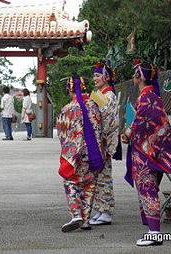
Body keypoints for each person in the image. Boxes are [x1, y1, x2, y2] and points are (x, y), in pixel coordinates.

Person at [121, 60, 171, 246]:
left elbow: (140, 124)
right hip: (153, 149)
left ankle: (155, 232)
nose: (132, 78)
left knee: (148, 190)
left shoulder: (146, 98)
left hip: (146, 152)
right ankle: (152, 230)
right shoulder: (154, 96)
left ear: (140, 77)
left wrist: (128, 133)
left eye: (134, 74)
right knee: (148, 189)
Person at [57, 75, 105, 232]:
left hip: (77, 155)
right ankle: (85, 220)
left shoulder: (67, 109)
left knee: (71, 182)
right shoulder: (94, 106)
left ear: (69, 90)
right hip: (95, 154)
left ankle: (76, 214)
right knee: (89, 185)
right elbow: (101, 129)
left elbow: (63, 135)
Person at [89, 62, 120, 226]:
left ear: (106, 77)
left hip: (103, 141)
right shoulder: (100, 94)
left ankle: (106, 211)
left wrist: (103, 141)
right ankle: (100, 209)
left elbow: (109, 121)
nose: (95, 79)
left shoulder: (109, 95)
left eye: (98, 75)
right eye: (94, 75)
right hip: (98, 141)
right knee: (98, 177)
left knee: (104, 176)